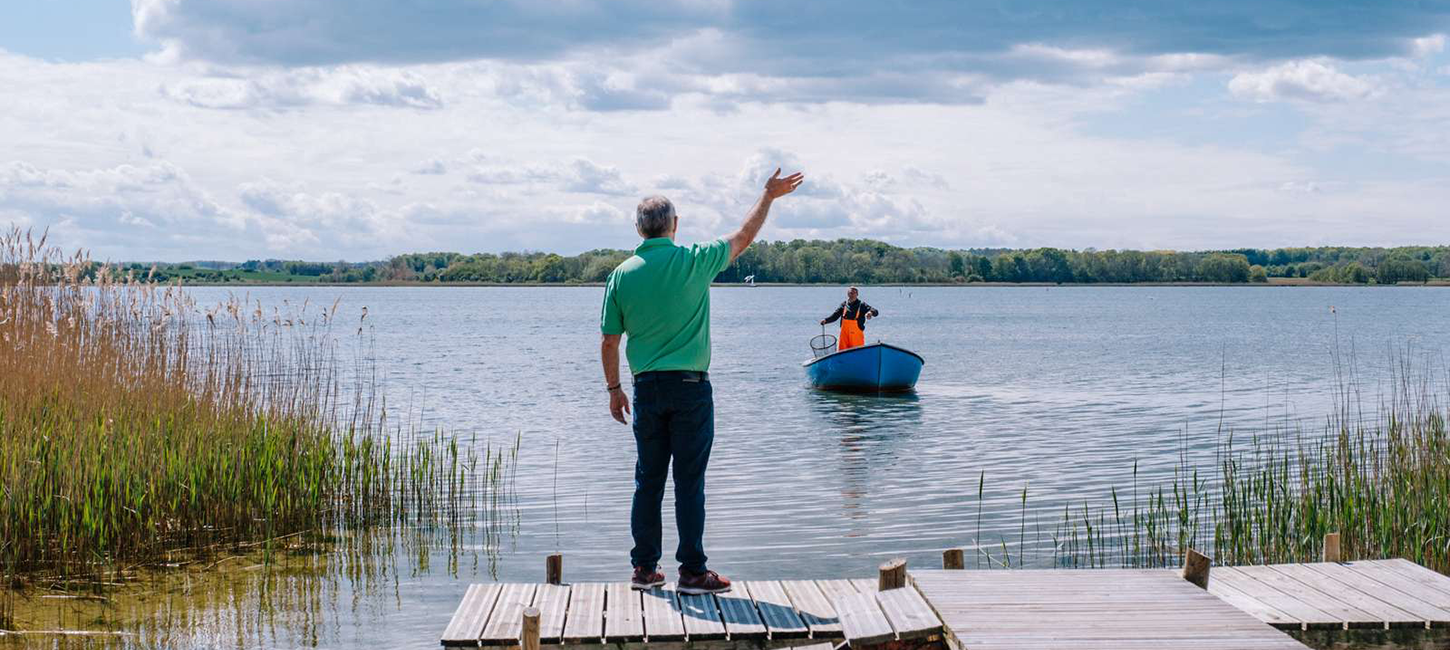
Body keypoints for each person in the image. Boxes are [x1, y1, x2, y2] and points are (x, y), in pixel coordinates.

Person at [600, 168, 805, 594]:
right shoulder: (694, 259)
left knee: (648, 481)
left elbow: (609, 340)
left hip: (646, 389)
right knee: (689, 482)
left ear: (638, 229)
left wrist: (614, 390)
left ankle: (644, 570)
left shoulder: (621, 274)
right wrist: (767, 196)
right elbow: (743, 237)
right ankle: (692, 573)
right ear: (674, 226)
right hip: (691, 388)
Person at [820, 286, 879, 351]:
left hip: (856, 337)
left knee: (857, 353)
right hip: (844, 337)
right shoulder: (844, 305)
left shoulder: (862, 305)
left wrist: (870, 313)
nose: (852, 295)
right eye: (850, 293)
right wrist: (825, 320)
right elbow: (835, 316)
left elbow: (876, 312)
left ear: (857, 294)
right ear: (848, 294)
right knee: (842, 354)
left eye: (854, 293)